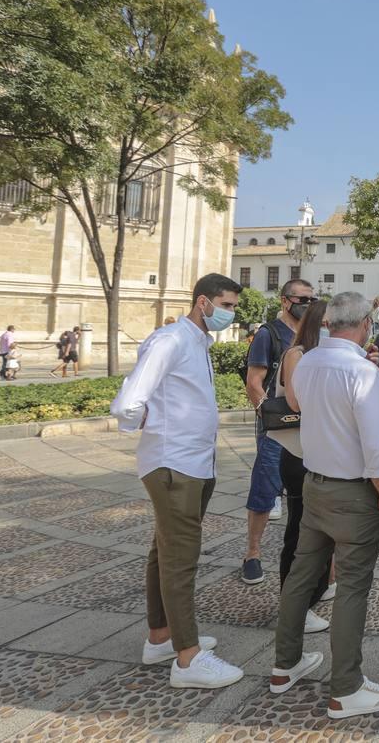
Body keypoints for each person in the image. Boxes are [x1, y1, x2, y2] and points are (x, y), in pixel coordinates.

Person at [110, 273, 246, 689]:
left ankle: (161, 637)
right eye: (226, 305)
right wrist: (152, 425)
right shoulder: (170, 340)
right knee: (180, 558)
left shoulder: (198, 342)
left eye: (234, 307)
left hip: (193, 463)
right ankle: (188, 658)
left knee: (163, 550)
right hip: (174, 465)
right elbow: (129, 402)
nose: (230, 313)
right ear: (203, 302)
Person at [270, 291, 379, 720]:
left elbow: (299, 407)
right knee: (352, 588)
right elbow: (377, 448)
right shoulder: (362, 372)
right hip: (353, 490)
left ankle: (284, 663)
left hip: (315, 482)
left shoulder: (305, 361)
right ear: (365, 323)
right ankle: (346, 687)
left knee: (302, 575)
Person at [242, 279, 318, 584]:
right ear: (286, 301)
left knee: (304, 491)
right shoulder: (268, 333)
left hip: (308, 425)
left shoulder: (311, 338)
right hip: (277, 425)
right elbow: (253, 382)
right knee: (265, 486)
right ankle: (252, 553)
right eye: (303, 300)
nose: (308, 305)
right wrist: (268, 414)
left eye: (312, 300)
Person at [270, 299, 334, 635]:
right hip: (298, 453)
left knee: (322, 531)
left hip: (320, 451)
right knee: (298, 531)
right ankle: (293, 605)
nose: (331, 329)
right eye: (327, 323)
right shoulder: (296, 355)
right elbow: (296, 402)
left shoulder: (323, 356)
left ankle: (314, 590)